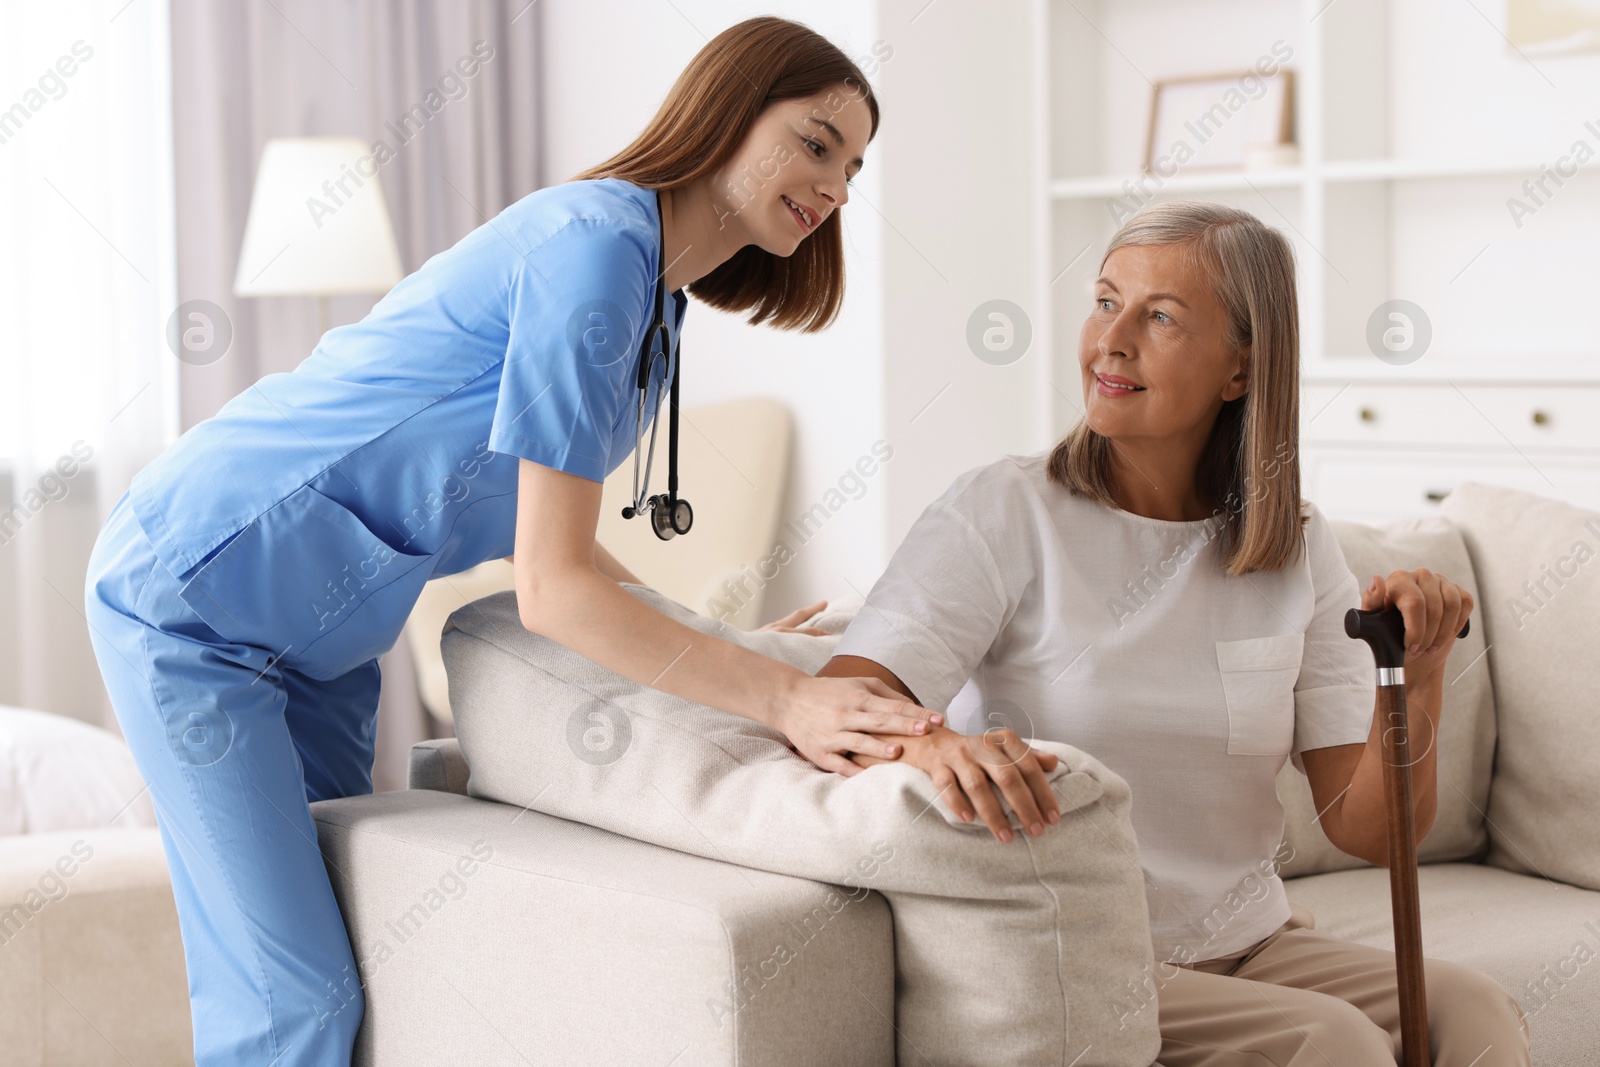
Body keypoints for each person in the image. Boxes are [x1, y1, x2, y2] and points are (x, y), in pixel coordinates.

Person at [82, 17, 940, 1066]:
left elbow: (556, 545)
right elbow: (554, 588)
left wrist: (723, 642)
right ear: (726, 110)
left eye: (853, 167)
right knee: (289, 1001)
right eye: (816, 143)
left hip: (323, 645)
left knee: (368, 953)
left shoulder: (655, 305)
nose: (837, 187)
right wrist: (783, 694)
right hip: (196, 599)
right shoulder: (594, 248)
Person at [818, 200, 1532, 1064]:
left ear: (1241, 369)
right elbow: (845, 702)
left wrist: (1417, 675)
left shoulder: (1294, 545)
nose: (1111, 340)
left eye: (1158, 316)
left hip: (1247, 940)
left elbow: (1370, 830)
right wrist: (934, 748)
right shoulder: (1005, 511)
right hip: (1072, 949)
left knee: (1475, 1011)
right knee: (1332, 1040)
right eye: (1105, 300)